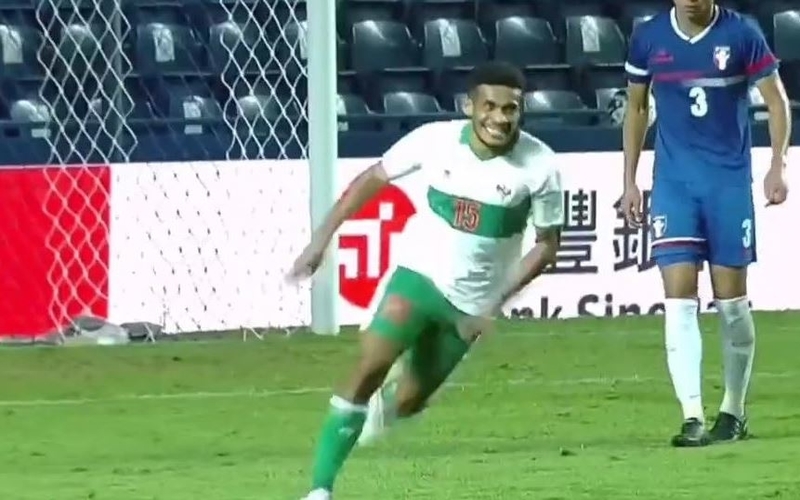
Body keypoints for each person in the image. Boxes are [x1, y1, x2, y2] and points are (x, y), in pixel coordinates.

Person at [289, 61, 564, 499]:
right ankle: (320, 490)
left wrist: (493, 305)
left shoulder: (540, 166)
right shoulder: (434, 140)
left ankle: (380, 409)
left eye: (510, 109)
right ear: (468, 106)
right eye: (489, 106)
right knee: (369, 367)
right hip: (419, 276)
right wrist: (321, 239)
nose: (499, 118)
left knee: (408, 403)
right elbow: (372, 178)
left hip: (470, 307)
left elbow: (548, 245)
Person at [620, 0, 790, 447]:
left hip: (728, 184)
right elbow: (636, 108)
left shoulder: (742, 34)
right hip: (674, 183)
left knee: (731, 301)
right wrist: (630, 181)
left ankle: (733, 411)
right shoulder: (649, 37)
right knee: (678, 296)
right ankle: (691, 415)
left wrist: (777, 164)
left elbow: (776, 100)